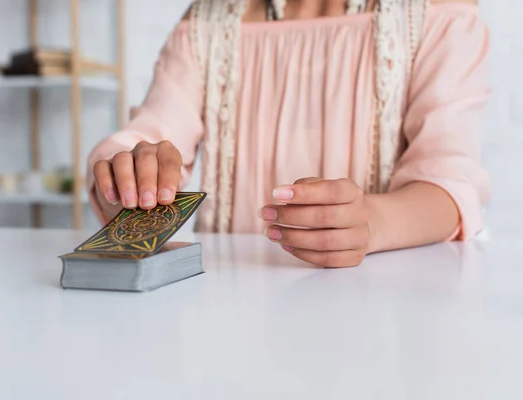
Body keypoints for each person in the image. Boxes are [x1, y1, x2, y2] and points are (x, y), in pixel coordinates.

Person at [87, 0, 490, 268]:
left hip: (388, 313)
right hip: (234, 311)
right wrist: (126, 179)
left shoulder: (437, 13)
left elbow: (449, 183)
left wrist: (374, 222)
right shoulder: (207, 21)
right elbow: (149, 134)